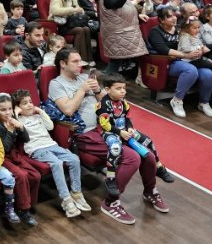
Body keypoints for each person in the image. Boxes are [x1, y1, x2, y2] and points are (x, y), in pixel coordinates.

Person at [48, 49, 165, 225]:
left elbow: (110, 104)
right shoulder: (56, 84)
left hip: (108, 128)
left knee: (147, 154)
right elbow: (68, 109)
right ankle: (111, 202)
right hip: (85, 134)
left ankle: (150, 191)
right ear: (63, 63)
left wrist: (98, 93)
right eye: (75, 61)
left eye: (81, 61)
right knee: (132, 157)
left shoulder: (85, 77)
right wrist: (82, 90)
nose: (80, 65)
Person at [15, 89, 88, 218]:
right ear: (18, 107)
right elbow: (18, 132)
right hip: (36, 149)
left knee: (74, 158)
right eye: (25, 103)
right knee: (57, 163)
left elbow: (50, 127)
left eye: (31, 102)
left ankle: (76, 192)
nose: (30, 105)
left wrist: (41, 111)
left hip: (52, 145)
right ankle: (66, 199)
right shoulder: (19, 121)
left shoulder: (37, 116)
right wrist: (16, 114)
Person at [98, 72, 175, 195]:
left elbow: (127, 117)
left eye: (124, 88)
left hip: (125, 131)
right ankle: (110, 178)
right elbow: (104, 125)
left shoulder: (123, 101)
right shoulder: (102, 104)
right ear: (107, 89)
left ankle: (159, 168)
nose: (123, 91)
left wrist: (130, 128)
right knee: (115, 148)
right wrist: (120, 132)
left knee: (148, 141)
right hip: (110, 132)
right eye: (118, 89)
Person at [148, 8, 212, 118]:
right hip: (169, 62)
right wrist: (185, 55)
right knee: (191, 70)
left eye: (174, 15)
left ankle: (204, 103)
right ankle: (177, 100)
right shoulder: (155, 31)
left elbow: (194, 41)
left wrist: (199, 50)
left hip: (189, 60)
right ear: (161, 20)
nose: (174, 18)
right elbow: (164, 50)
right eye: (169, 16)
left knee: (208, 73)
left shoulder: (180, 29)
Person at [0, 92, 40, 226]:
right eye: (2, 110)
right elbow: (3, 149)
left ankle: (28, 203)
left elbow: (26, 139)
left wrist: (21, 127)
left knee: (35, 175)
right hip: (0, 157)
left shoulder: (13, 120)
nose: (7, 113)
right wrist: (11, 131)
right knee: (21, 175)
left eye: (10, 109)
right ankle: (24, 210)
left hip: (15, 154)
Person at [99, 0, 148, 74]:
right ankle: (108, 82)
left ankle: (110, 81)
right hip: (115, 33)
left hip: (121, 32)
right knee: (115, 61)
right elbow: (117, 5)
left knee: (116, 61)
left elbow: (123, 10)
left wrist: (138, 15)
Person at [50, 0, 93, 65]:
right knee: (80, 30)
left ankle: (88, 58)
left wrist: (80, 10)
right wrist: (73, 10)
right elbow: (55, 10)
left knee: (86, 29)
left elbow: (79, 9)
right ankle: (76, 59)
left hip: (71, 23)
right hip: (60, 25)